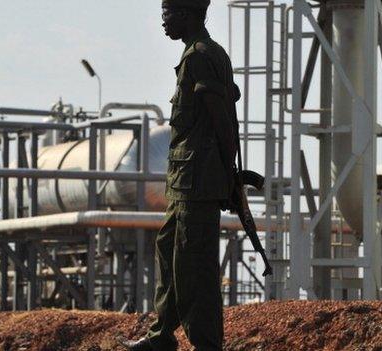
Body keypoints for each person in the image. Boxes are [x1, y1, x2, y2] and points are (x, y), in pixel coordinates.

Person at [117, 0, 239, 350]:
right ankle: (160, 337)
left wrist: (228, 173)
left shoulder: (202, 55)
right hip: (184, 181)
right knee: (169, 249)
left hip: (198, 181)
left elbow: (222, 119)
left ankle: (206, 345)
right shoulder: (195, 54)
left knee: (194, 268)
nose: (164, 23)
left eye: (167, 15)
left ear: (186, 15)